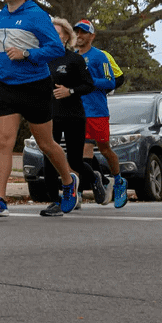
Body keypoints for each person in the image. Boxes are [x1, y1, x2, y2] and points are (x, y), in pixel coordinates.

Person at [0, 0, 80, 217]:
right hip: (5, 86)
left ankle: (68, 182)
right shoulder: (0, 16)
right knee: (3, 142)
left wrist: (27, 54)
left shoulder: (37, 15)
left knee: (46, 143)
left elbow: (56, 48)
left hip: (34, 86)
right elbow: (2, 49)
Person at [39, 18, 99, 217]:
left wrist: (70, 91)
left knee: (75, 161)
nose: (53, 36)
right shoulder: (42, 59)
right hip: (50, 116)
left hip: (74, 116)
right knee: (49, 158)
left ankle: (96, 178)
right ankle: (55, 202)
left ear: (66, 37)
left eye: (57, 33)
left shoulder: (75, 59)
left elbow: (89, 85)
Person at [74, 20, 127, 208]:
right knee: (82, 154)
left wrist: (89, 81)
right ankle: (78, 193)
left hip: (98, 112)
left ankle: (118, 181)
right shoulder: (73, 57)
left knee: (105, 150)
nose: (79, 35)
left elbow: (110, 82)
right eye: (77, 32)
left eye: (83, 32)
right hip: (79, 112)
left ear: (92, 36)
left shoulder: (99, 56)